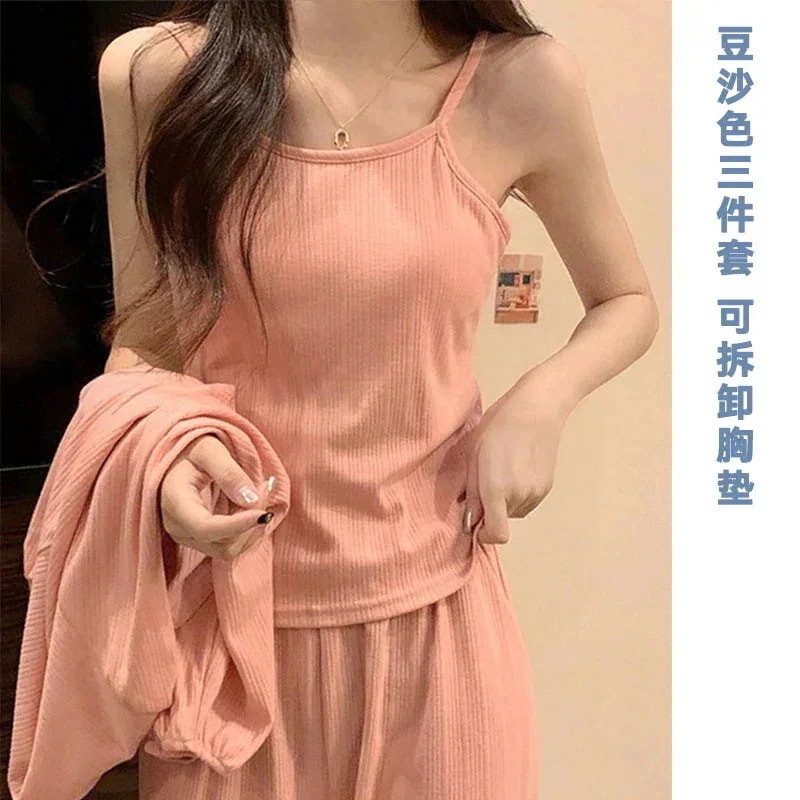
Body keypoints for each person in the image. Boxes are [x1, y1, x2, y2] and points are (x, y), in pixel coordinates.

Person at [96, 1, 659, 797]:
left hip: (437, 632)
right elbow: (144, 343)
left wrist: (543, 396)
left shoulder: (520, 82)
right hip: (230, 641)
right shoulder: (157, 75)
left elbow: (627, 300)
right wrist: (162, 448)